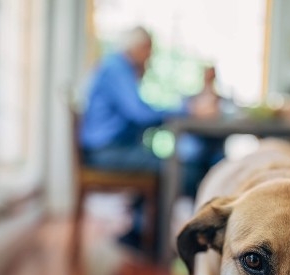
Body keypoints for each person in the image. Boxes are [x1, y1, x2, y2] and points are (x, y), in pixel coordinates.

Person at [80, 26, 204, 250]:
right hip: (107, 151)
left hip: (111, 148)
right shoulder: (117, 67)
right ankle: (150, 239)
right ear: (138, 48)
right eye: (149, 51)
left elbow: (139, 112)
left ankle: (140, 231)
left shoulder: (117, 67)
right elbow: (139, 113)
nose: (150, 58)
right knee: (178, 169)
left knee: (165, 162)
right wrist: (186, 109)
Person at [177, 66, 225, 197]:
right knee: (190, 172)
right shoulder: (190, 99)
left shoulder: (222, 100)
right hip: (195, 151)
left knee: (221, 168)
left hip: (216, 150)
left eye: (212, 75)